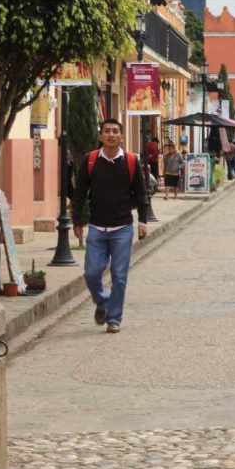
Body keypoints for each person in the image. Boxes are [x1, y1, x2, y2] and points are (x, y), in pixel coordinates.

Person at [73, 118, 147, 334]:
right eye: (107, 131)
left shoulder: (132, 161)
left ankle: (113, 318)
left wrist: (143, 220)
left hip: (123, 228)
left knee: (119, 276)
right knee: (91, 273)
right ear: (101, 136)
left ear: (121, 136)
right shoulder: (91, 161)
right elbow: (79, 194)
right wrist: (77, 220)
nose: (111, 134)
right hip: (97, 227)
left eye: (115, 131)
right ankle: (103, 301)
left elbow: (141, 194)